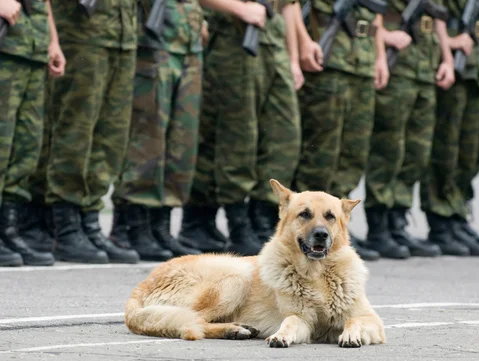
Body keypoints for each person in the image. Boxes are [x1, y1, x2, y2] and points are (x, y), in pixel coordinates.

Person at [178, 0, 302, 256]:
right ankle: (237, 222)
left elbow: (289, 5)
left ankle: (264, 216)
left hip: (273, 44)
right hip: (234, 44)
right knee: (238, 136)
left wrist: (293, 58)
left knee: (284, 136)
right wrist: (239, 9)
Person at [42, 0, 139, 264]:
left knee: (111, 136)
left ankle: (90, 220)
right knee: (76, 131)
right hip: (83, 35)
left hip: (123, 36)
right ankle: (66, 226)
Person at [292, 0, 389, 261]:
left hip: (362, 65)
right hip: (327, 62)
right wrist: (302, 42)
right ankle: (306, 229)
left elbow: (376, 16)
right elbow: (291, 7)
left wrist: (380, 57)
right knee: (322, 153)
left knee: (353, 154)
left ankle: (336, 231)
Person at [109, 0, 205, 261]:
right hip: (154, 45)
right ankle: (131, 225)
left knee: (181, 143)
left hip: (188, 43)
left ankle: (159, 224)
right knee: (148, 139)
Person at [362, 0, 455, 259]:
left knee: (416, 153)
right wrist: (384, 38)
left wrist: (447, 59)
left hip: (425, 70)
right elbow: (372, 12)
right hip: (397, 69)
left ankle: (398, 222)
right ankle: (379, 228)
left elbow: (439, 17)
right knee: (389, 149)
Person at [419, 0, 479, 257]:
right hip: (453, 69)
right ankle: (441, 221)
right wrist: (448, 51)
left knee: (469, 154)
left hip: (475, 71)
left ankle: (457, 216)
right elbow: (438, 13)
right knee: (446, 151)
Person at [0, 0, 64, 267]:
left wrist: (53, 40)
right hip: (5, 47)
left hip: (32, 48)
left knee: (26, 146)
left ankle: (7, 228)